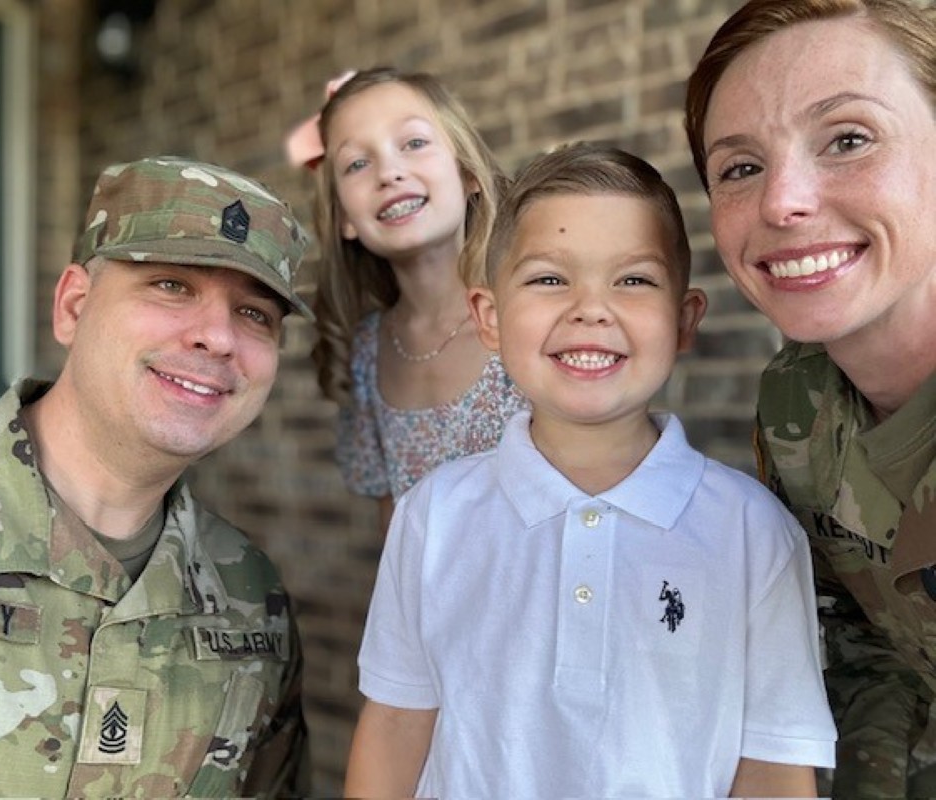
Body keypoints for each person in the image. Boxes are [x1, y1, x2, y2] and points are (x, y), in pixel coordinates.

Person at [343, 141, 837, 798]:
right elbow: (397, 724)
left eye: (633, 279)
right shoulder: (432, 516)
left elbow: (773, 767)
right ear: (488, 317)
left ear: (683, 320)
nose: (589, 309)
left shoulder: (752, 532)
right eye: (549, 278)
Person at [0, 156, 311, 797]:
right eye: (171, 286)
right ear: (74, 306)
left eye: (254, 315)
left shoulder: (251, 598)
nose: (217, 337)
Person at [684, 0, 936, 795]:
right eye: (740, 166)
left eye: (848, 139)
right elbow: (868, 658)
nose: (780, 202)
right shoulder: (796, 403)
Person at [286, 66, 526, 532]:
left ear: (468, 173)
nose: (390, 173)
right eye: (357, 163)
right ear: (344, 220)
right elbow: (393, 525)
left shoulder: (530, 311)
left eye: (414, 143)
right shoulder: (367, 354)